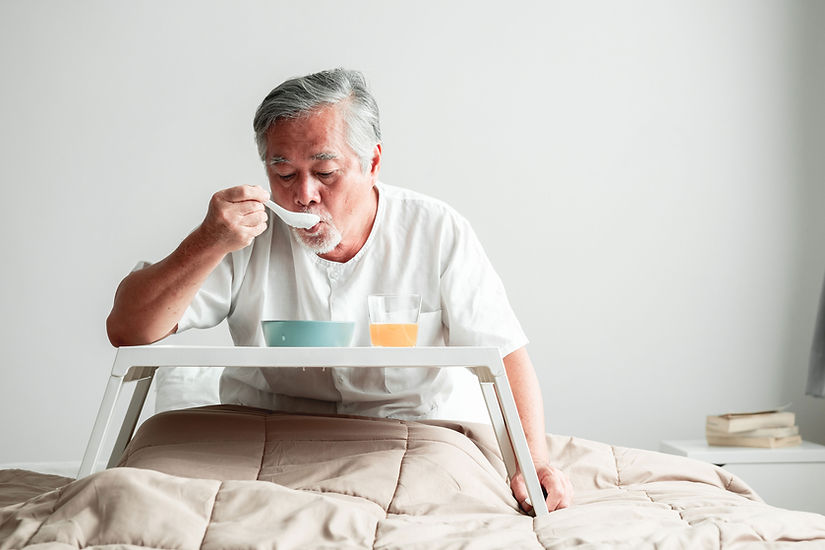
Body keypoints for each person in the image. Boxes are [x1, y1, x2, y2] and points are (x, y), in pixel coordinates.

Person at [106, 68, 573, 512]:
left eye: (325, 172)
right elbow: (129, 329)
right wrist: (206, 242)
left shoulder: (436, 230)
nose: (303, 194)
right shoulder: (242, 233)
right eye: (283, 174)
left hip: (407, 433)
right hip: (262, 429)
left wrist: (532, 461)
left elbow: (504, 353)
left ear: (372, 163)